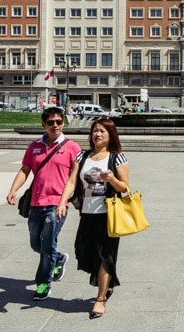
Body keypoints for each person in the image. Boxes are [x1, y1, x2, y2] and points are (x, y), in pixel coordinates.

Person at [6, 106, 81, 301]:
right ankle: (59, 259)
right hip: (35, 203)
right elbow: (25, 170)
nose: (55, 125)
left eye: (59, 121)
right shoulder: (34, 146)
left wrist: (66, 201)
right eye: (50, 122)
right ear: (43, 124)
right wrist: (13, 189)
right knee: (35, 243)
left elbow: (75, 177)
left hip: (57, 204)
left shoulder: (72, 147)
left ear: (63, 123)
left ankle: (43, 283)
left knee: (47, 245)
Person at [58, 118, 129, 320]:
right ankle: (109, 282)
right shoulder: (82, 156)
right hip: (87, 214)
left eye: (102, 132)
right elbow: (72, 182)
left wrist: (112, 180)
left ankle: (100, 299)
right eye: (95, 131)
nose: (98, 134)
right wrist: (62, 203)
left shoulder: (117, 158)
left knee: (106, 256)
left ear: (110, 136)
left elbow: (125, 187)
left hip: (109, 216)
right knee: (84, 253)